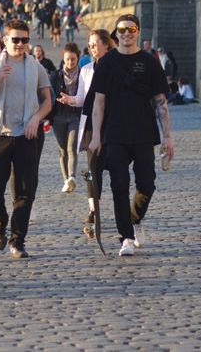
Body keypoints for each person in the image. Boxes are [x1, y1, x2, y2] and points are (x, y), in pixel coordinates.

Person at [89, 14, 174, 256]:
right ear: (116, 33)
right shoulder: (106, 63)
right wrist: (96, 137)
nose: (127, 33)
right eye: (122, 29)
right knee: (119, 185)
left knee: (146, 183)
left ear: (138, 31)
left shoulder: (149, 62)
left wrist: (167, 136)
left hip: (144, 132)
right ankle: (125, 236)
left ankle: (135, 219)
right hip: (114, 133)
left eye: (132, 29)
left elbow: (161, 101)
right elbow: (99, 103)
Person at [0, 19, 51, 259]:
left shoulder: (35, 66)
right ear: (5, 40)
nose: (20, 44)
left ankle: (17, 240)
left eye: (25, 40)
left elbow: (47, 101)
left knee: (25, 190)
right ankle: (0, 221)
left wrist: (36, 119)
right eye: (15, 39)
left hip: (27, 134)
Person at [58, 29, 115, 236]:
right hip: (91, 125)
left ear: (106, 44)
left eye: (95, 43)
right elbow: (82, 98)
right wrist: (70, 100)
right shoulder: (86, 70)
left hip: (113, 125)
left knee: (116, 171)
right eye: (89, 44)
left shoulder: (115, 67)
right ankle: (93, 211)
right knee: (92, 170)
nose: (91, 47)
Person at [50, 43, 82, 193]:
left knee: (72, 147)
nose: (70, 63)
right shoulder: (56, 76)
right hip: (59, 117)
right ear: (63, 59)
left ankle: (72, 177)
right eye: (67, 59)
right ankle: (66, 180)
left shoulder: (83, 75)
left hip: (75, 116)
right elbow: (49, 96)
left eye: (73, 60)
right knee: (62, 150)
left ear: (77, 59)